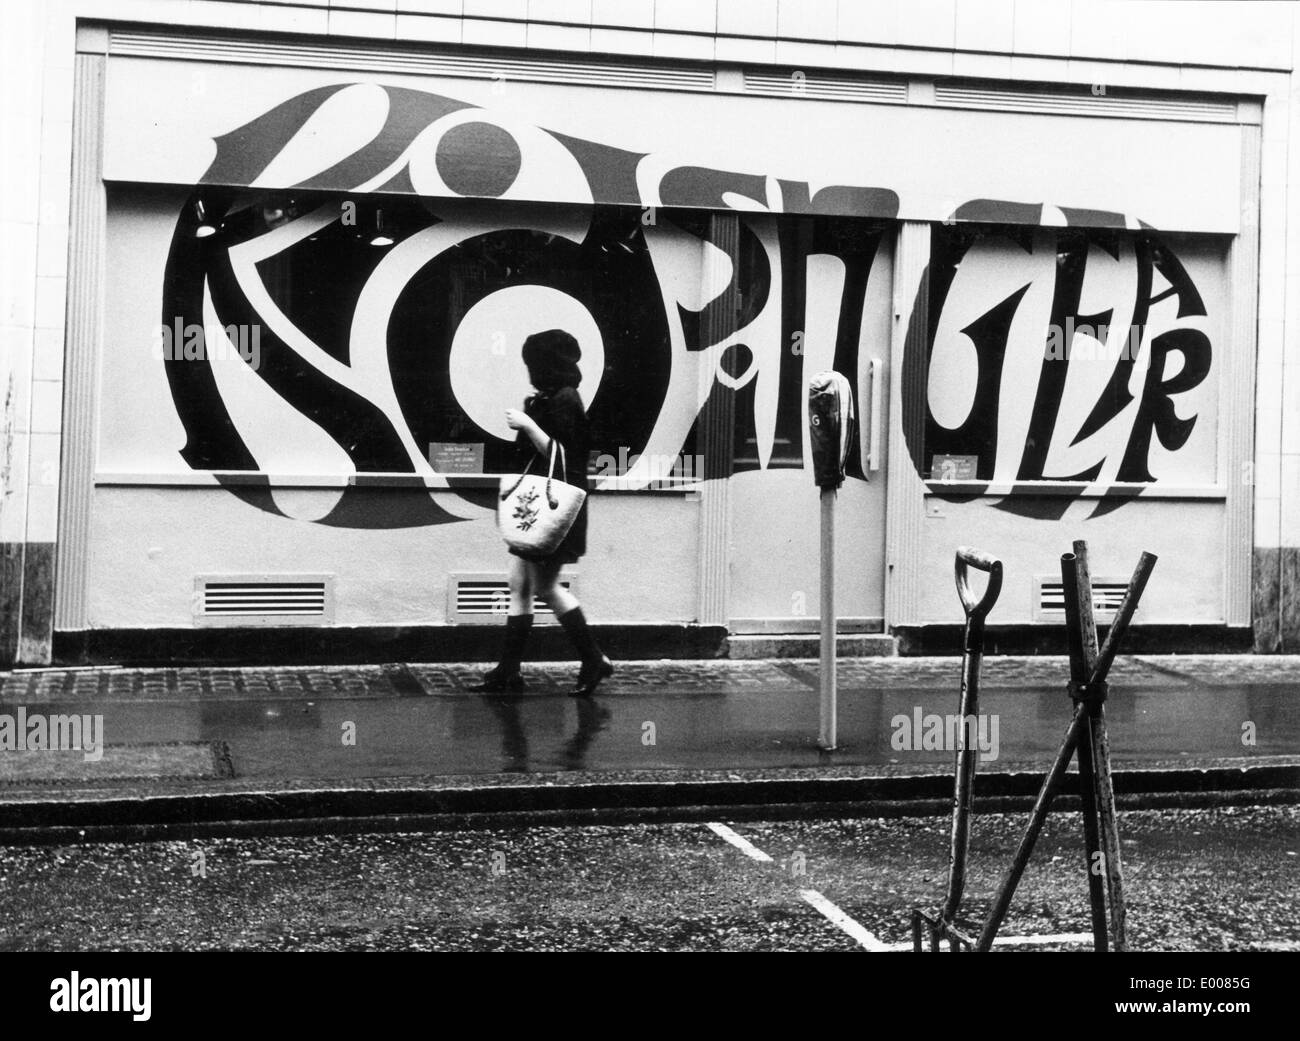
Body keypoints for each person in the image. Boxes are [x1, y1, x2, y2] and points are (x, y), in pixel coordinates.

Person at [471, 329, 614, 697]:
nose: (531, 370)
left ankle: (594, 659)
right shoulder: (548, 398)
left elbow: (565, 459)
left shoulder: (567, 400)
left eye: (535, 363)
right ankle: (508, 670)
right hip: (534, 509)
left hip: (554, 510)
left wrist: (528, 424)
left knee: (546, 587)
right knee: (519, 586)